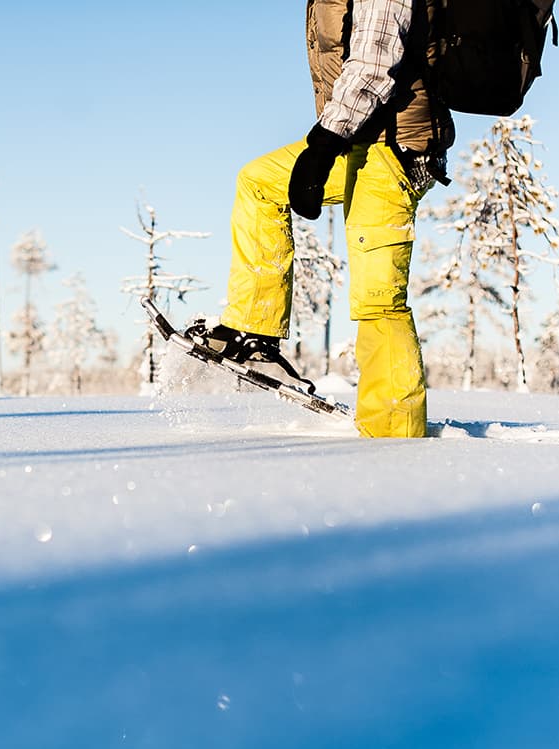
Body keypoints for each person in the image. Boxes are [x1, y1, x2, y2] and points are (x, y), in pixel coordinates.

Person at [190, 0, 454, 438]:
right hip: (358, 138)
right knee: (260, 181)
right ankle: (254, 334)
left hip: (396, 146)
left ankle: (394, 434)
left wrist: (323, 146)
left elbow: (373, 64)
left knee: (377, 296)